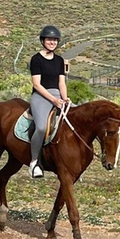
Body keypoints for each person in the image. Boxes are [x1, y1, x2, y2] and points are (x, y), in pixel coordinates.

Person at [28, 25, 69, 179]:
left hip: (58, 96)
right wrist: (54, 100)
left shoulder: (59, 60)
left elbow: (61, 83)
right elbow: (36, 84)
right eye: (49, 39)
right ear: (43, 41)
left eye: (54, 40)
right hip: (41, 96)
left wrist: (64, 99)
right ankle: (34, 162)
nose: (52, 42)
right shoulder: (36, 59)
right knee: (40, 127)